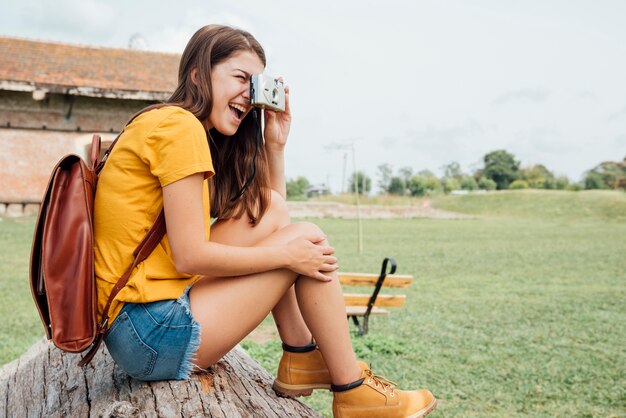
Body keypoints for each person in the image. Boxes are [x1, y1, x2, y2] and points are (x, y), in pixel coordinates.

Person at [94, 24, 437, 418]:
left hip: (139, 323)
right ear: (197, 73)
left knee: (271, 208)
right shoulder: (180, 129)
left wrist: (275, 145)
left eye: (254, 83)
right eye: (239, 77)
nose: (248, 93)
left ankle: (301, 356)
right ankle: (352, 390)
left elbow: (274, 217)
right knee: (304, 242)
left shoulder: (170, 123)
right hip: (149, 335)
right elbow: (190, 256)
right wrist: (287, 258)